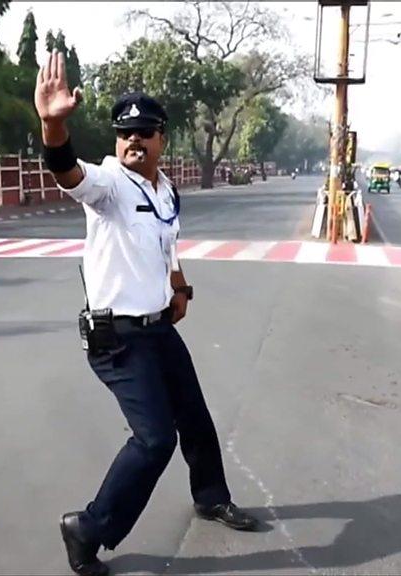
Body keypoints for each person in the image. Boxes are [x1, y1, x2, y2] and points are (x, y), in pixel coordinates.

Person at [34, 51, 258, 576]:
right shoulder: (108, 187)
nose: (133, 141)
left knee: (196, 418)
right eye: (124, 134)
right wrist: (52, 125)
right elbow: (67, 172)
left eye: (144, 133)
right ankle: (87, 529)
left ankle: (210, 495)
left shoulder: (164, 188)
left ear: (162, 139)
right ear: (117, 141)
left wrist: (179, 289)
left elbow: (167, 243)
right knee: (155, 439)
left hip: (157, 329)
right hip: (118, 339)